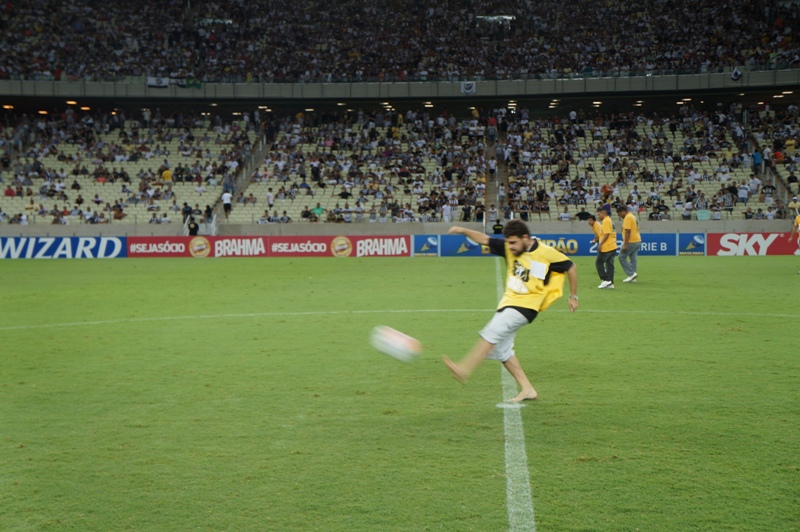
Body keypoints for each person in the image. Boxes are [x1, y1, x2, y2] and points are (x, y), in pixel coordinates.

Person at [442, 220, 579, 402]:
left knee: (492, 331)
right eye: (508, 242)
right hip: (508, 303)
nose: (511, 247)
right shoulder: (509, 248)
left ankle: (464, 369)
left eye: (514, 242)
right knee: (503, 350)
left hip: (527, 306)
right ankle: (528, 389)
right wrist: (462, 230)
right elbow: (484, 239)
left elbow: (571, 267)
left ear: (525, 238)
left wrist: (573, 296)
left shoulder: (545, 252)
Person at [617, 205, 642, 283]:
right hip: (637, 240)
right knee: (633, 258)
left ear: (623, 212)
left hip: (631, 241)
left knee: (621, 257)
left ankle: (631, 274)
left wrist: (625, 244)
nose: (620, 216)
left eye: (619, 214)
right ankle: (633, 277)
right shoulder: (633, 216)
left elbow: (628, 231)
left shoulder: (628, 217)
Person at [595, 207, 617, 289]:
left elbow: (607, 234)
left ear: (603, 213)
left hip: (607, 247)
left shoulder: (606, 221)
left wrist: (600, 244)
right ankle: (610, 283)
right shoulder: (610, 220)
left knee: (599, 262)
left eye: (599, 214)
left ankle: (605, 279)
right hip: (613, 245)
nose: (598, 216)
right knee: (609, 265)